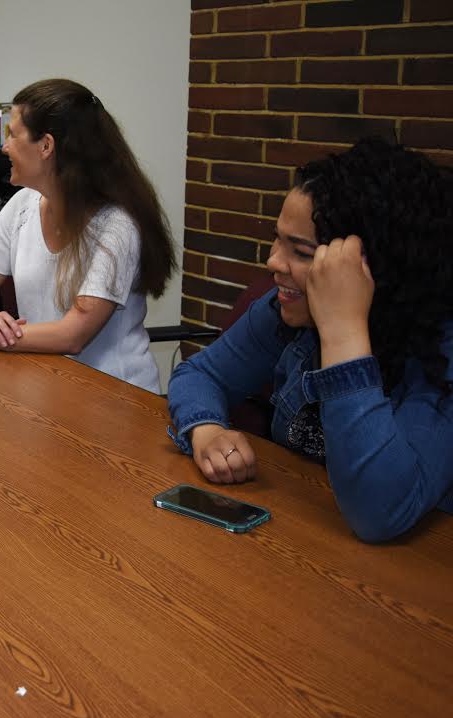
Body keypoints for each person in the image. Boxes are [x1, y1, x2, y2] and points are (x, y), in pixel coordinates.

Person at [167, 137, 453, 543]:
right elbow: (200, 373)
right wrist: (206, 429)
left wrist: (343, 330)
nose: (272, 262)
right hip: (303, 533)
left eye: (301, 251)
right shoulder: (285, 311)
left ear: (373, 267)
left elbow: (380, 513)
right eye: (277, 238)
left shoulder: (438, 353)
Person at [0, 79, 176, 394]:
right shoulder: (21, 205)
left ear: (46, 146)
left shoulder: (117, 226)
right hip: (46, 383)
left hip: (116, 397)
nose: (4, 147)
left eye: (13, 135)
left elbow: (73, 335)